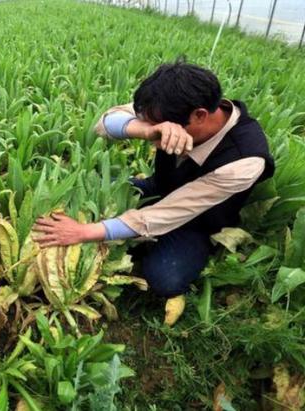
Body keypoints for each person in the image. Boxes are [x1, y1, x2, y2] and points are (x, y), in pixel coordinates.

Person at [33, 61, 275, 303]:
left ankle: (147, 242)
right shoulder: (174, 104)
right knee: (86, 185)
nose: (157, 137)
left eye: (159, 128)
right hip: (160, 188)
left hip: (197, 220)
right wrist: (144, 129)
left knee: (165, 278)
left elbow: (169, 212)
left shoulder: (245, 160)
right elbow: (104, 124)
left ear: (200, 116)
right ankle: (132, 235)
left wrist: (83, 232)